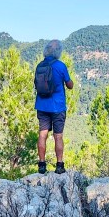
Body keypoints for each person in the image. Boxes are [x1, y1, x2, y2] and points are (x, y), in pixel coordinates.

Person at [35, 39, 74, 174]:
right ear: (58, 52)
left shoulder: (40, 66)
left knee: (42, 134)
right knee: (58, 136)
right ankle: (59, 165)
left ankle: (41, 164)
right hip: (57, 107)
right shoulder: (60, 66)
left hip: (41, 105)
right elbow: (70, 85)